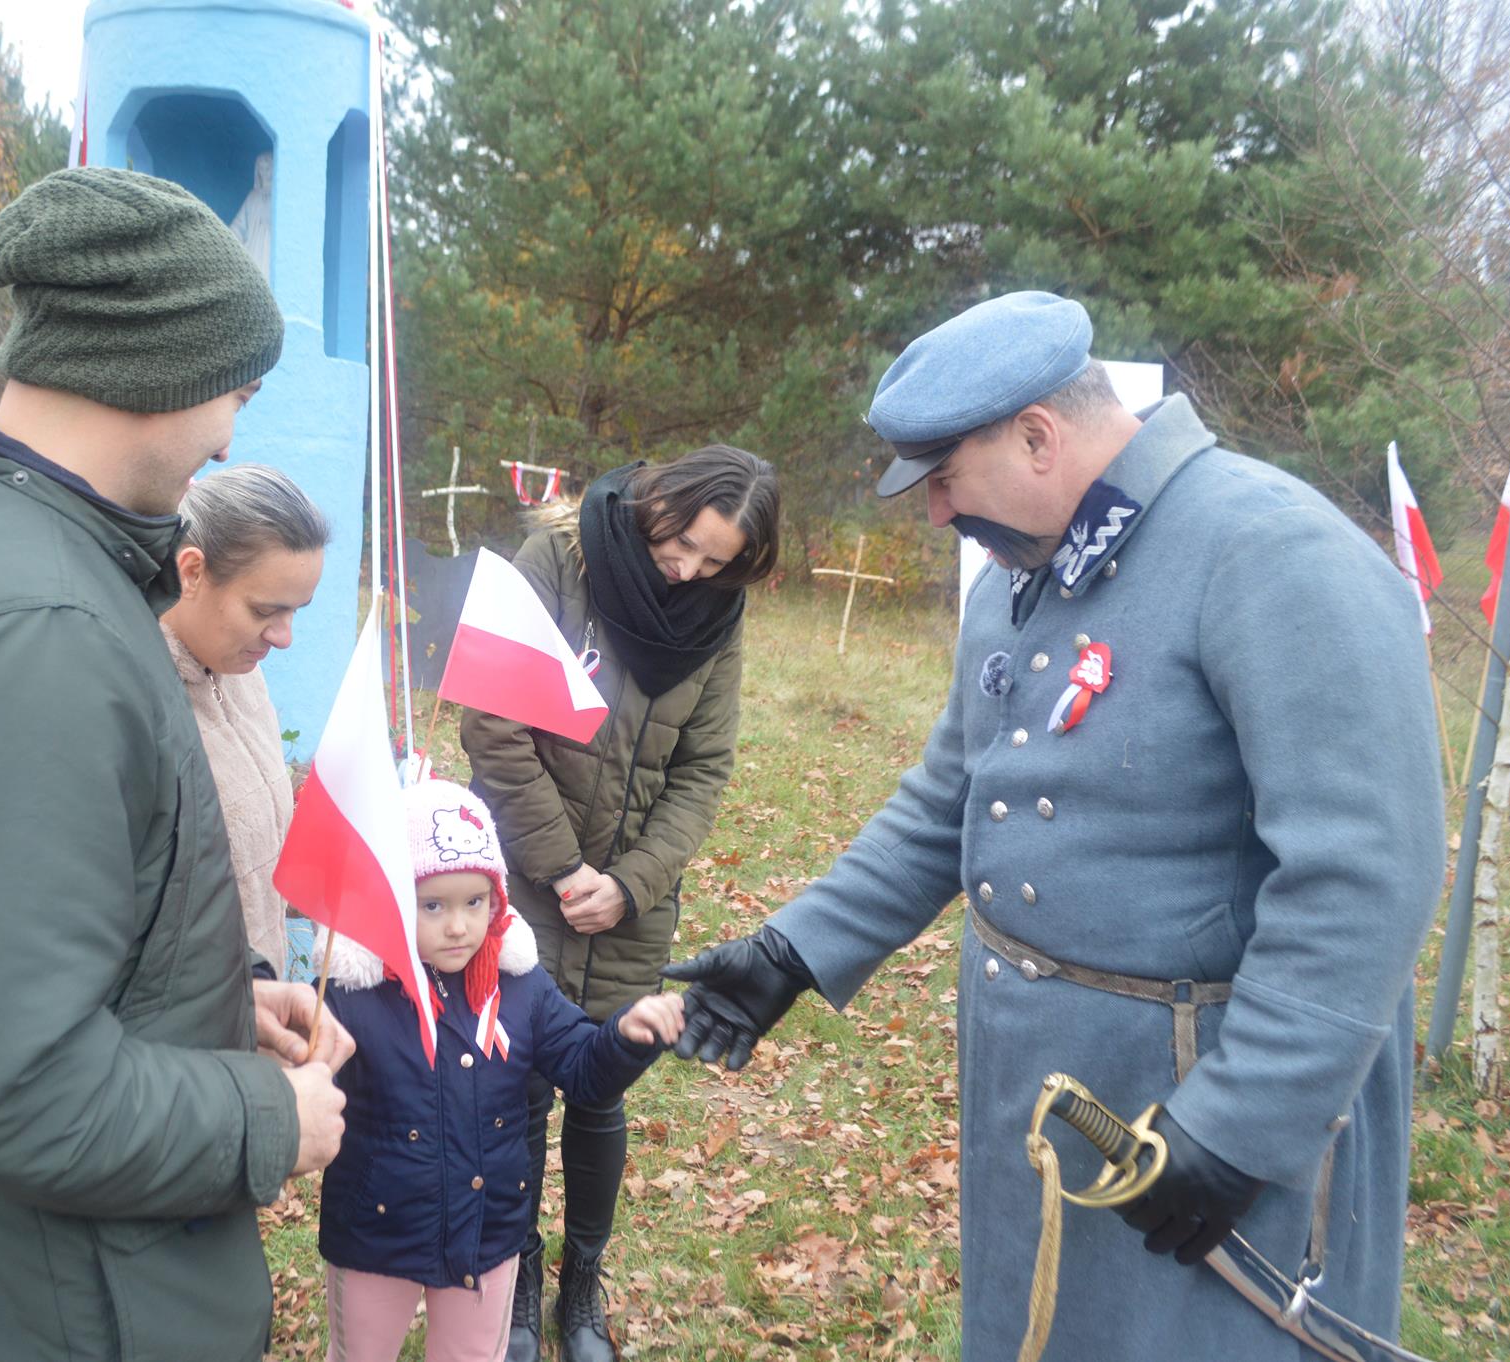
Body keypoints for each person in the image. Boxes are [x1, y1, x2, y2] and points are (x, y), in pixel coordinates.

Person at [664, 291, 1445, 1359]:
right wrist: (790, 952)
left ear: (1038, 437)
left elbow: (1364, 874)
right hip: (1043, 1091)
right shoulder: (1018, 577)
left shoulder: (1275, 552)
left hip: (1205, 1100)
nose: (935, 513)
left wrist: (1240, 1124)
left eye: (943, 477)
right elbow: (951, 797)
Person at [0, 168, 355, 1362]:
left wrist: (212, 1009)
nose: (231, 434)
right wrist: (263, 1118)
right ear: (161, 370)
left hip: (12, 1283)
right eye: (237, 391)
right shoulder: (38, 635)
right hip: (57, 1309)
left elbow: (9, 952)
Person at [459, 444, 779, 1362]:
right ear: (658, 500)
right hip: (522, 882)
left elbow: (702, 770)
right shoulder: (556, 562)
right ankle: (517, 1278)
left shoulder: (716, 615)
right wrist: (563, 870)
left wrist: (633, 883)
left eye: (716, 561)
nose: (689, 570)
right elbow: (492, 724)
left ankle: (582, 1285)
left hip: (628, 909)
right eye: (684, 543)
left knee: (601, 1092)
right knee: (517, 1089)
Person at [314, 780, 684, 1362]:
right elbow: (309, 1089)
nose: (458, 926)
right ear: (392, 898)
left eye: (474, 902)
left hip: (487, 1231)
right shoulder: (352, 996)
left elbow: (583, 1070)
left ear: (497, 898)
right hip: (375, 1231)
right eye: (432, 905)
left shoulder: (520, 988)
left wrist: (624, 1039)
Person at [164, 463, 329, 977]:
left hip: (252, 1007)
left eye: (297, 610)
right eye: (264, 611)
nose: (284, 637)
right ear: (192, 572)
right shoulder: (132, 700)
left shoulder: (241, 672)